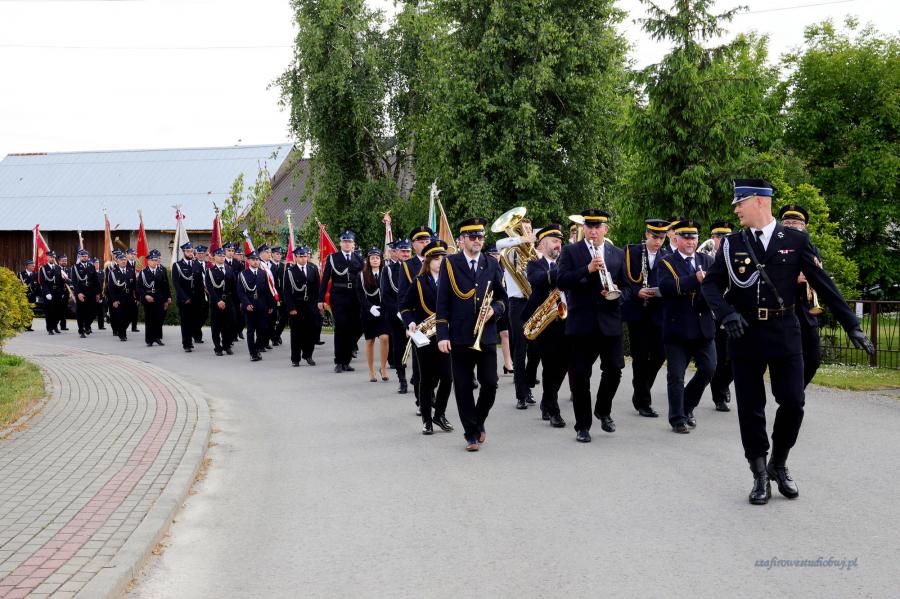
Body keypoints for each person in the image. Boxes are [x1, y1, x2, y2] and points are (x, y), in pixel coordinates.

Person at [702, 178, 873, 505]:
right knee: (751, 407)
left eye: (740, 203)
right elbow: (710, 285)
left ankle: (778, 463)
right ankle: (759, 473)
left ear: (759, 201)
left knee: (793, 401)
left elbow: (823, 283)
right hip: (745, 333)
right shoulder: (731, 243)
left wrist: (852, 325)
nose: (736, 209)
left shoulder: (795, 240)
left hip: (784, 331)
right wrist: (726, 314)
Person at [557, 209, 630, 443]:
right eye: (589, 226)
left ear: (605, 229)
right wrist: (586, 270)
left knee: (615, 370)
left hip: (610, 322)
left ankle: (603, 410)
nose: (593, 231)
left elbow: (628, 287)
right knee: (580, 375)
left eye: (598, 227)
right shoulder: (571, 251)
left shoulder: (617, 253)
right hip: (581, 323)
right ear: (584, 228)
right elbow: (561, 281)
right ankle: (582, 425)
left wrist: (618, 293)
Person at [436, 217, 507, 452]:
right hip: (459, 335)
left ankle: (478, 420)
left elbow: (502, 298)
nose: (478, 240)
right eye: (473, 237)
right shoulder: (450, 264)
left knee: (490, 384)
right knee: (464, 386)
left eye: (481, 236)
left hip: (486, 335)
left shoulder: (491, 263)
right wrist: (442, 334)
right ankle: (471, 434)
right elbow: (442, 301)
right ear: (462, 239)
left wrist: (494, 311)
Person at [656, 219, 716, 434]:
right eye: (686, 237)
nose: (691, 242)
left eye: (694, 237)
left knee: (709, 369)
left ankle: (687, 406)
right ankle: (677, 418)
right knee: (676, 376)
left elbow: (717, 287)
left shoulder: (707, 260)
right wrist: (694, 279)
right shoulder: (666, 262)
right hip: (678, 327)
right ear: (676, 239)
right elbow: (666, 287)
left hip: (703, 326)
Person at [402, 239, 454, 435]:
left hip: (445, 335)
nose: (441, 262)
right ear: (428, 260)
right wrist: (410, 322)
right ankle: (426, 420)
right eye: (437, 258)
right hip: (424, 336)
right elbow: (405, 306)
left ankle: (439, 414)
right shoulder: (419, 282)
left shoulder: (451, 281)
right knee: (426, 380)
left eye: (443, 258)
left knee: (447, 377)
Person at [621, 219, 670, 418]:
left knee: (660, 355)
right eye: (655, 237)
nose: (658, 241)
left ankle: (641, 387)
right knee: (640, 357)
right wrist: (636, 291)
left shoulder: (666, 255)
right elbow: (623, 278)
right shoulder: (630, 251)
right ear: (647, 234)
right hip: (637, 313)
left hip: (658, 312)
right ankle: (643, 402)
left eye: (662, 238)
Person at [523, 223, 568, 428]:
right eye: (554, 241)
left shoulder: (566, 263)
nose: (559, 245)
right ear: (542, 244)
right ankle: (553, 411)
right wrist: (563, 272)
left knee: (563, 364)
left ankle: (546, 400)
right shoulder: (535, 264)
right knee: (550, 365)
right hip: (544, 322)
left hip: (565, 319)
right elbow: (537, 279)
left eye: (560, 242)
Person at [778, 204, 822, 388]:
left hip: (806, 313)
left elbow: (819, 277)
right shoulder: (776, 248)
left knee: (813, 360)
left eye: (795, 223)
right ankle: (791, 396)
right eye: (787, 223)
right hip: (785, 313)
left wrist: (815, 277)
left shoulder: (811, 249)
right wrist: (794, 279)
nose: (791, 226)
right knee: (786, 361)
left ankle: (796, 393)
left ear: (804, 227)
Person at [496, 221, 538, 410]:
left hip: (534, 302)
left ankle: (528, 385)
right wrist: (521, 239)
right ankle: (521, 394)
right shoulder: (509, 250)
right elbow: (498, 244)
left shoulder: (535, 253)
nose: (527, 232)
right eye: (523, 228)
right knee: (520, 349)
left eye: (528, 229)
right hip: (517, 304)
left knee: (536, 349)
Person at [318, 231, 364, 373]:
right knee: (341, 328)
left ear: (353, 244)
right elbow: (325, 279)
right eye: (344, 241)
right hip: (339, 297)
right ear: (340, 243)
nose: (347, 244)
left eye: (349, 241)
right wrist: (320, 299)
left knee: (355, 328)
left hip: (355, 297)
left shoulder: (359, 259)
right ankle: (339, 361)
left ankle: (347, 360)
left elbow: (364, 280)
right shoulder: (333, 258)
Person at [399, 226, 434, 410]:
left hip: (439, 320)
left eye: (427, 241)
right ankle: (422, 401)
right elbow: (403, 299)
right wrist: (408, 322)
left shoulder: (440, 261)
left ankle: (431, 395)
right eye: (421, 241)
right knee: (420, 365)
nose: (425, 244)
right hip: (418, 321)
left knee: (438, 364)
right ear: (414, 245)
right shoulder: (407, 266)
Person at [707, 221, 735, 412]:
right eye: (719, 236)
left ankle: (724, 383)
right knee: (719, 356)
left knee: (734, 357)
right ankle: (718, 397)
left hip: (732, 313)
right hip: (712, 316)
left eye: (726, 236)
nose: (722, 240)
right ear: (713, 238)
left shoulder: (737, 256)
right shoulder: (706, 258)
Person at [382, 239, 412, 393]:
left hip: (415, 315)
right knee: (399, 348)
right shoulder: (388, 270)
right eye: (403, 251)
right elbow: (386, 295)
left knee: (418, 349)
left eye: (408, 251)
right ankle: (402, 379)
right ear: (397, 252)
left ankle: (418, 377)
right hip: (396, 316)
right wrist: (400, 312)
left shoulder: (417, 267)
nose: (405, 254)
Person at [357, 248, 390, 382]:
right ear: (368, 260)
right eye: (372, 258)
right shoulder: (362, 275)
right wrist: (370, 307)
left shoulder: (386, 273)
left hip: (383, 310)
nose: (375, 260)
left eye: (377, 258)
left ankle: (383, 368)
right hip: (368, 311)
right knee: (370, 341)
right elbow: (360, 295)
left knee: (384, 338)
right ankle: (371, 371)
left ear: (381, 260)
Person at [283, 246, 320, 367]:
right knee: (296, 333)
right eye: (301, 256)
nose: (304, 258)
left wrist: (318, 304)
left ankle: (308, 355)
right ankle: (295, 358)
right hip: (297, 305)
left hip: (310, 305)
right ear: (296, 257)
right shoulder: (290, 271)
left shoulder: (312, 269)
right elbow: (287, 292)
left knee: (311, 331)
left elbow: (317, 288)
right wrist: (291, 308)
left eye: (305, 256)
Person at [236, 251, 275, 361]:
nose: (256, 261)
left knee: (262, 329)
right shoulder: (243, 274)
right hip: (250, 304)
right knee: (250, 330)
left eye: (257, 259)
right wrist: (246, 303)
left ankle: (257, 348)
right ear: (248, 261)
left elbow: (267, 291)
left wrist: (270, 305)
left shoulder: (263, 273)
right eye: (253, 259)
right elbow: (240, 292)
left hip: (262, 304)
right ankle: (252, 353)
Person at [486, 245, 515, 377]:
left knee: (505, 333)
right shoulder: (487, 269)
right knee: (490, 336)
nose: (496, 257)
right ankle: (490, 367)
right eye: (492, 255)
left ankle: (508, 363)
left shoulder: (505, 269)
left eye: (497, 254)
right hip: (489, 304)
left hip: (502, 304)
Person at [205, 247, 237, 356]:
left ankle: (226, 345)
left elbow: (234, 286)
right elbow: (210, 288)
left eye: (223, 256)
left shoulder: (229, 269)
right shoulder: (210, 271)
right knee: (216, 326)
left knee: (229, 325)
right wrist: (218, 301)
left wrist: (237, 301)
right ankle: (217, 347)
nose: (222, 257)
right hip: (216, 302)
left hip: (228, 301)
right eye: (219, 256)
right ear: (214, 257)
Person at [137, 249, 171, 346]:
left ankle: (157, 337)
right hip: (148, 298)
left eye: (156, 260)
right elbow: (139, 287)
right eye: (152, 260)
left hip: (159, 298)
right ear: (148, 261)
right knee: (149, 319)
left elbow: (165, 286)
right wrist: (145, 295)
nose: (154, 262)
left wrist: (167, 298)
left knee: (159, 318)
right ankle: (149, 340)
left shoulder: (161, 271)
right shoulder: (143, 272)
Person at [173, 242, 200, 352]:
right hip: (184, 299)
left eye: (191, 251)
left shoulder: (196, 264)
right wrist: (185, 297)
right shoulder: (177, 265)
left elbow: (200, 282)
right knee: (185, 322)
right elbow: (176, 284)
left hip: (195, 299)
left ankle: (190, 340)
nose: (190, 253)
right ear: (183, 252)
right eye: (188, 251)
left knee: (194, 321)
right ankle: (187, 344)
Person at [106, 251, 136, 341]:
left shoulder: (130, 271)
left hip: (129, 297)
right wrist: (114, 300)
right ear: (118, 261)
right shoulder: (113, 272)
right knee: (120, 317)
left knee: (130, 316)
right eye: (121, 260)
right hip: (119, 298)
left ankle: (121, 329)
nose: (123, 261)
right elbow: (111, 288)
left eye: (125, 260)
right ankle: (122, 334)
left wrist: (137, 297)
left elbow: (134, 285)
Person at [72, 249, 99, 338]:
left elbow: (96, 281)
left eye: (86, 256)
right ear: (79, 257)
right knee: (81, 312)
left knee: (92, 311)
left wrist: (98, 293)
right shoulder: (75, 267)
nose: (84, 257)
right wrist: (78, 293)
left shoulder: (91, 266)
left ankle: (87, 325)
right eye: (83, 256)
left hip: (91, 292)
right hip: (81, 292)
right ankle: (81, 330)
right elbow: (74, 282)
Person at [38, 251, 67, 334]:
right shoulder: (43, 268)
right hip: (49, 293)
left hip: (57, 293)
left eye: (53, 257)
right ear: (47, 258)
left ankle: (55, 326)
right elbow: (43, 282)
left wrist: (62, 292)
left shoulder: (58, 268)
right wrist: (47, 293)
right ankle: (50, 328)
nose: (52, 259)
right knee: (49, 312)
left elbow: (61, 282)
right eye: (51, 257)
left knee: (58, 311)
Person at [270, 246, 289, 346]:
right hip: (272, 296)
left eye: (280, 254)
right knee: (272, 318)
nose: (279, 256)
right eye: (277, 254)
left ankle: (277, 334)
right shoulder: (268, 266)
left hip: (282, 296)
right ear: (272, 254)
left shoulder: (283, 266)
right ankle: (273, 336)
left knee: (284, 317)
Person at [191, 245, 209, 345]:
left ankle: (194, 329)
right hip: (197, 294)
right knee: (197, 314)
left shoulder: (208, 264)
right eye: (199, 253)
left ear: (205, 254)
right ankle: (197, 335)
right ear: (195, 254)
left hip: (208, 293)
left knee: (205, 314)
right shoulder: (193, 265)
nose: (201, 255)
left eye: (202, 253)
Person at [17, 259, 38, 332]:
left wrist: (36, 294)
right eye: (32, 266)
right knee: (23, 310)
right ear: (27, 266)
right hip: (24, 296)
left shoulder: (35, 274)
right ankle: (22, 325)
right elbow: (19, 285)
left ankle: (29, 326)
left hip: (32, 296)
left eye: (33, 265)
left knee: (31, 311)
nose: (33, 267)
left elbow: (37, 286)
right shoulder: (21, 274)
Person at [125, 248, 141, 333]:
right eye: (131, 254)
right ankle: (123, 326)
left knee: (135, 309)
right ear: (127, 254)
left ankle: (134, 326)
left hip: (136, 289)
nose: (133, 255)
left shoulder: (137, 264)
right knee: (128, 310)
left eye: (134, 254)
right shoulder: (124, 263)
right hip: (127, 290)